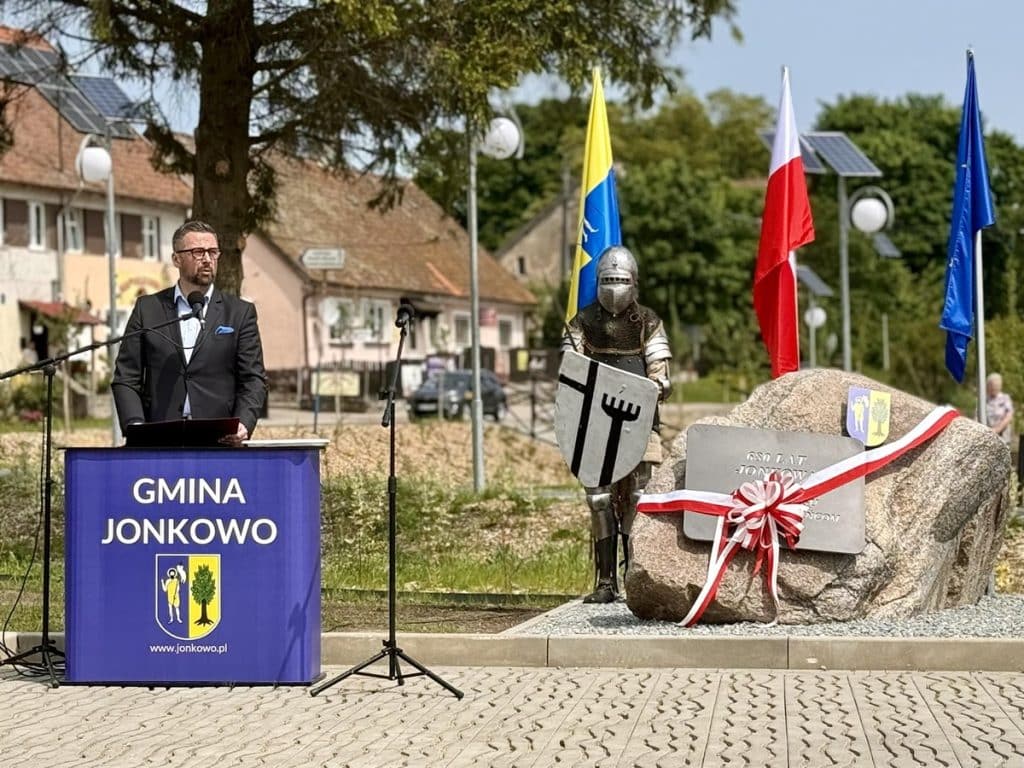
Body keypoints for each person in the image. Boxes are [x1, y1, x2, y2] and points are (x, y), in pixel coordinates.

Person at [563, 245, 672, 603]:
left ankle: (634, 575)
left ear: (633, 283)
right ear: (597, 281)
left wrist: (653, 388)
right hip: (593, 423)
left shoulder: (648, 322)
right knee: (599, 499)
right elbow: (569, 372)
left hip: (638, 422)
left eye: (620, 280)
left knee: (637, 498)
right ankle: (605, 582)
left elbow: (661, 378)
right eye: (607, 279)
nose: (613, 287)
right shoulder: (582, 322)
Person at [112, 220, 267, 446]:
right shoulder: (148, 309)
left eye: (213, 252)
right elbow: (126, 377)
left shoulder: (239, 313)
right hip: (158, 437)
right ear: (176, 259)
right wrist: (135, 426)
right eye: (198, 252)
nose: (207, 259)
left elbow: (253, 379)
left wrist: (243, 423)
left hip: (220, 439)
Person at [986, 372, 1014, 447]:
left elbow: (1009, 417)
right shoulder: (984, 399)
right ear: (988, 386)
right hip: (987, 438)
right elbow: (976, 416)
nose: (994, 387)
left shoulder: (1005, 398)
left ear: (1000, 386)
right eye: (992, 385)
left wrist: (996, 430)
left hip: (1003, 437)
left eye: (996, 385)